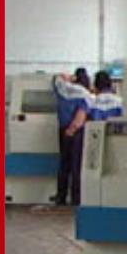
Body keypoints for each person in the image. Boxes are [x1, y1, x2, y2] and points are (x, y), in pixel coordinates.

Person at [63, 72, 124, 206]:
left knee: (81, 170)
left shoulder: (90, 100)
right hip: (115, 141)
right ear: (111, 85)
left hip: (92, 140)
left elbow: (78, 122)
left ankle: (79, 200)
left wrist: (69, 132)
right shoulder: (120, 101)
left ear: (95, 86)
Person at [52, 69, 92, 205]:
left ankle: (61, 197)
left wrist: (68, 78)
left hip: (62, 130)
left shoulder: (62, 88)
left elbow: (57, 77)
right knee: (76, 166)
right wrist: (72, 129)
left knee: (63, 165)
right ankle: (76, 198)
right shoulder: (85, 94)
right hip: (76, 132)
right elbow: (81, 116)